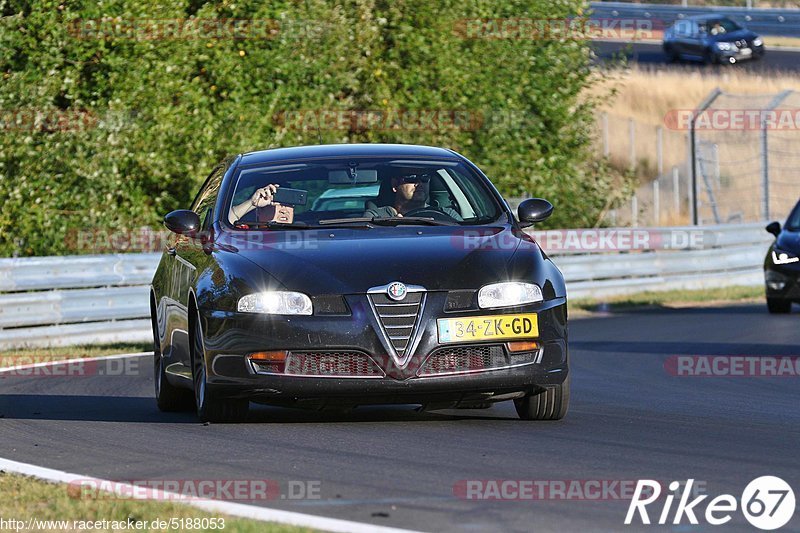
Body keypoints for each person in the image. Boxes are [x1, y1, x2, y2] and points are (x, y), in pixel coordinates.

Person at [363, 171, 462, 220]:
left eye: (424, 178)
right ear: (395, 185)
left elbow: (464, 237)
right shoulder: (375, 217)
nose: (419, 184)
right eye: (412, 178)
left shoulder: (447, 215)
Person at [228, 184, 294, 224]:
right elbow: (224, 223)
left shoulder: (302, 232)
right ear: (258, 211)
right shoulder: (244, 232)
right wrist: (252, 203)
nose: (284, 210)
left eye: (289, 204)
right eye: (276, 203)